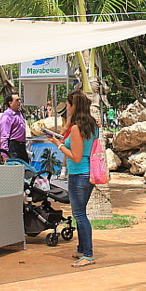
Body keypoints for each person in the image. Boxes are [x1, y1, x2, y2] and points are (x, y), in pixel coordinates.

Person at [47, 90, 98, 267]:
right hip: (87, 174)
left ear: (73, 106)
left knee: (80, 215)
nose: (66, 108)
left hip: (79, 174)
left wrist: (58, 145)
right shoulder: (90, 125)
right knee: (80, 213)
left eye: (68, 105)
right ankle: (82, 249)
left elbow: (75, 156)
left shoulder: (77, 129)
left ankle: (88, 254)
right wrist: (69, 122)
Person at [0, 93, 29, 163]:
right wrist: (5, 154)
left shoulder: (19, 113)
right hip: (13, 146)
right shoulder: (6, 116)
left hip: (21, 146)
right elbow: (4, 136)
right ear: (10, 103)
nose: (19, 102)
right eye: (16, 100)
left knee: (25, 167)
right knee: (15, 169)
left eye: (19, 100)